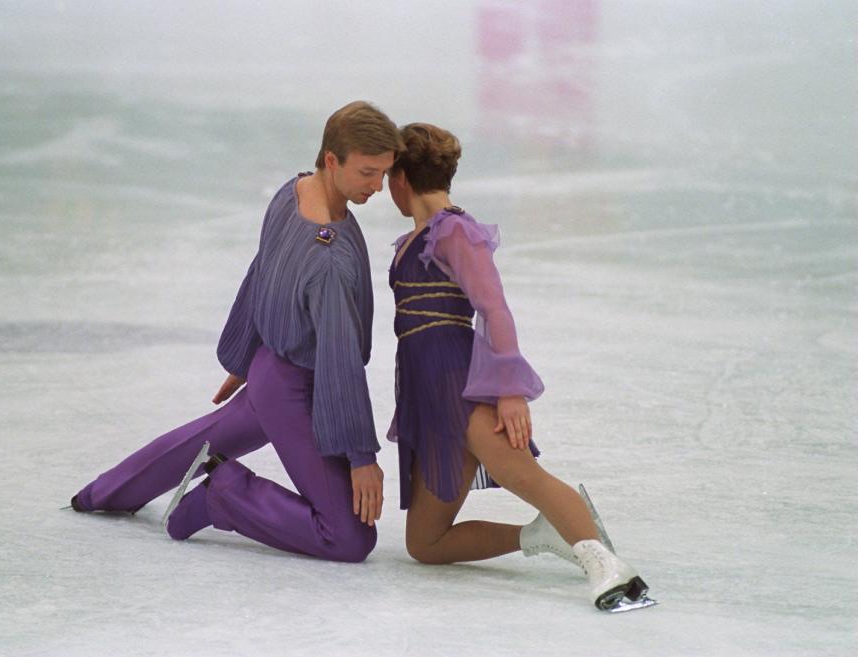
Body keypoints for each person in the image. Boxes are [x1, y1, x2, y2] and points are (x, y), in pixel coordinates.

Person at [69, 101, 403, 563]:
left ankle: (100, 494)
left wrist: (249, 358)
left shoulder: (292, 191)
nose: (378, 187)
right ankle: (223, 494)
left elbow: (262, 270)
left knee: (199, 439)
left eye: (384, 174)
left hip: (271, 368)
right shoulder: (329, 259)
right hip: (295, 390)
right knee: (348, 538)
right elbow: (340, 364)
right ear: (332, 160)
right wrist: (363, 457)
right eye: (368, 173)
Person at [385, 122, 648, 608]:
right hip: (425, 393)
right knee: (425, 543)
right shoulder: (410, 240)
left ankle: (610, 570)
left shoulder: (454, 230)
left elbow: (495, 308)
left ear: (401, 176)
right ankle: (540, 536)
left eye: (388, 177)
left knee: (520, 473)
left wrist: (508, 390)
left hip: (457, 380)